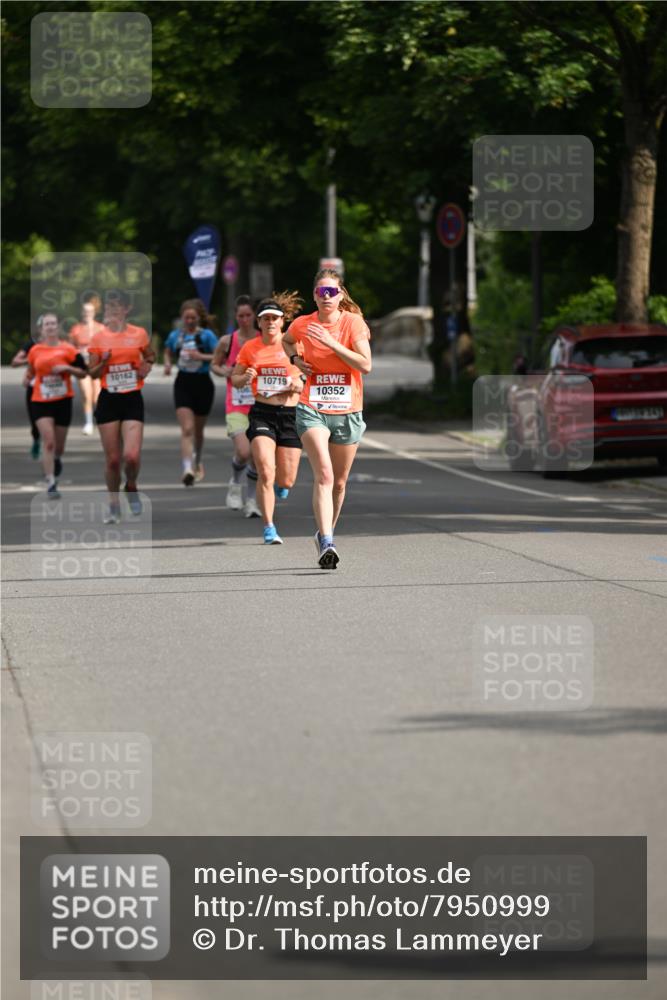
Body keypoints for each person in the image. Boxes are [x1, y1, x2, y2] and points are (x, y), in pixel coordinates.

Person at [282, 269, 371, 569]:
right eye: (321, 292)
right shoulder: (303, 324)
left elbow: (365, 364)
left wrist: (332, 343)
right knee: (325, 474)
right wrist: (296, 360)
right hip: (312, 407)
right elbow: (286, 340)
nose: (326, 297)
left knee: (340, 482)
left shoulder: (352, 323)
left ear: (341, 294)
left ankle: (323, 534)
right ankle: (329, 543)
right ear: (315, 296)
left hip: (348, 410)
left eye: (331, 292)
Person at [231, 293, 304, 544]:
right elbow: (235, 379)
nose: (270, 322)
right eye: (265, 319)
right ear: (259, 323)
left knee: (286, 478)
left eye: (275, 318)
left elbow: (308, 378)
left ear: (282, 321)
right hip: (262, 413)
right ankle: (269, 527)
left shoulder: (294, 344)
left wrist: (298, 384)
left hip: (290, 415)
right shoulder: (250, 347)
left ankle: (283, 485)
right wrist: (247, 376)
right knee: (265, 468)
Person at [87, 290, 155, 523]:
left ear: (126, 309)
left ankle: (132, 485)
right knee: (114, 460)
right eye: (109, 307)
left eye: (117, 307)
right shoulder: (98, 338)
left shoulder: (139, 334)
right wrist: (104, 361)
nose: (112, 311)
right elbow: (92, 373)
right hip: (108, 400)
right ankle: (113, 503)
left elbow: (150, 355)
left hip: (132, 398)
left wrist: (146, 365)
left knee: (132, 456)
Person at [26, 313, 88, 498]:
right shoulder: (35, 350)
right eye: (47, 324)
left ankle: (57, 458)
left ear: (58, 327)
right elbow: (31, 371)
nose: (51, 327)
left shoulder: (69, 350)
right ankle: (51, 482)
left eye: (53, 323)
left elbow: (83, 373)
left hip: (63, 401)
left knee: (59, 446)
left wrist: (67, 369)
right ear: (41, 329)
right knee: (49, 441)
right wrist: (27, 378)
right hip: (41, 401)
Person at [211, 295, 261, 517]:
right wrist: (225, 372)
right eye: (240, 315)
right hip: (236, 405)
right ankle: (234, 483)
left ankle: (251, 500)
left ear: (255, 316)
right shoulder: (227, 341)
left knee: (258, 457)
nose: (244, 319)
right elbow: (215, 364)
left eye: (248, 315)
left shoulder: (264, 339)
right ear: (236, 316)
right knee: (243, 451)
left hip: (261, 405)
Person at [163, 299, 219, 486]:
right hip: (183, 383)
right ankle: (187, 468)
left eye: (193, 318)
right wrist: (168, 363)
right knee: (187, 429)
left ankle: (197, 459)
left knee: (198, 431)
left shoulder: (207, 336)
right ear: (182, 318)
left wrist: (200, 356)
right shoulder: (176, 336)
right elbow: (168, 351)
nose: (189, 321)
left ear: (199, 318)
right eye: (186, 318)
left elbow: (219, 356)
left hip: (203, 384)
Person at [69, 294, 104, 434]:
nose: (87, 314)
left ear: (94, 312)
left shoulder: (100, 328)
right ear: (81, 313)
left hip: (96, 366)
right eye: (85, 311)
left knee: (97, 396)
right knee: (86, 393)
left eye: (89, 311)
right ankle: (88, 423)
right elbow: (70, 349)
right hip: (82, 367)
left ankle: (101, 419)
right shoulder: (76, 329)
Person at [11, 329, 43, 459]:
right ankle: (36, 438)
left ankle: (52, 449)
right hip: (34, 387)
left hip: (56, 391)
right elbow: (14, 362)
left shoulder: (61, 344)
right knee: (34, 420)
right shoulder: (32, 345)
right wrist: (29, 361)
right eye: (45, 326)